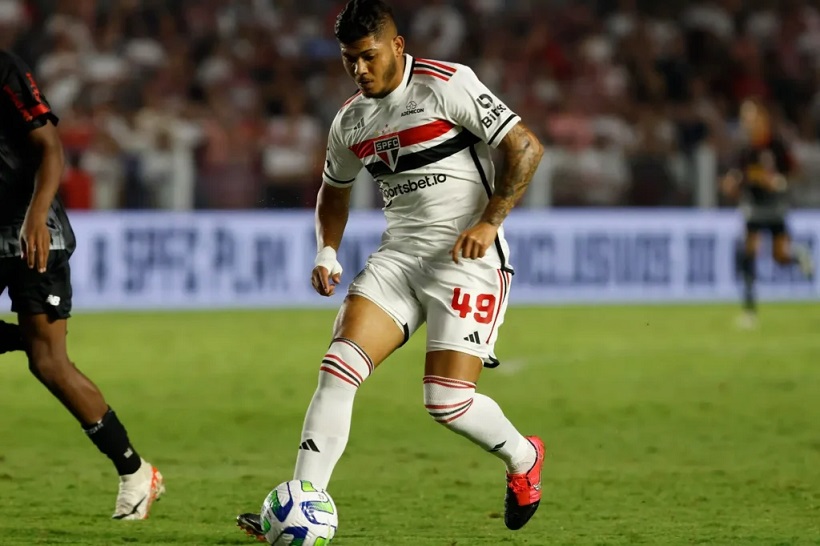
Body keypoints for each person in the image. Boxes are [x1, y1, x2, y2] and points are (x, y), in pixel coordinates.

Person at [237, 0, 545, 538]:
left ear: (397, 46)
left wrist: (491, 222)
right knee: (337, 370)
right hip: (398, 261)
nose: (358, 69)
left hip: (464, 262)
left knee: (447, 403)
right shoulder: (351, 120)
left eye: (367, 56)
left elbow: (525, 147)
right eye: (348, 60)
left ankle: (524, 458)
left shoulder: (448, 85)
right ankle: (302, 507)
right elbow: (333, 192)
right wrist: (326, 251)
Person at [0, 49, 164, 519]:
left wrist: (35, 214)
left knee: (49, 364)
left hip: (34, 230)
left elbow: (52, 149)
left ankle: (135, 472)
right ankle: (27, 339)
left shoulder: (4, 70)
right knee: (40, 351)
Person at [721, 98, 814, 329]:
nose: (749, 123)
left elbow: (794, 172)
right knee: (748, 254)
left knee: (779, 257)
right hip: (753, 207)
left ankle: (797, 256)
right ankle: (750, 312)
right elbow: (735, 177)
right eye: (745, 119)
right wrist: (730, 184)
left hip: (775, 207)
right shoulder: (744, 149)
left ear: (763, 119)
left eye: (753, 118)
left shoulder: (776, 145)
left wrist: (779, 181)